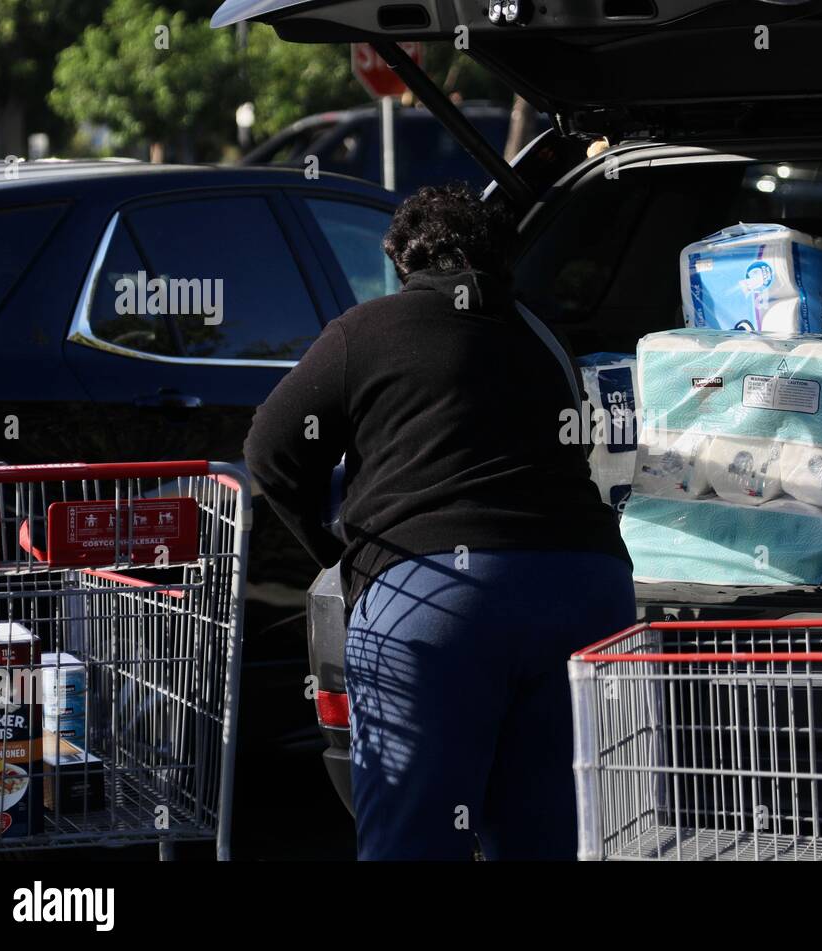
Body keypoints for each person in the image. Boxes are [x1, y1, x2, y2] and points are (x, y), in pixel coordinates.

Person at [243, 183, 634, 860]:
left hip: (429, 604)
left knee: (412, 841)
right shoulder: (545, 339)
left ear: (402, 261)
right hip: (584, 594)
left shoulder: (362, 331)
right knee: (547, 836)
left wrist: (339, 556)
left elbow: (268, 450)